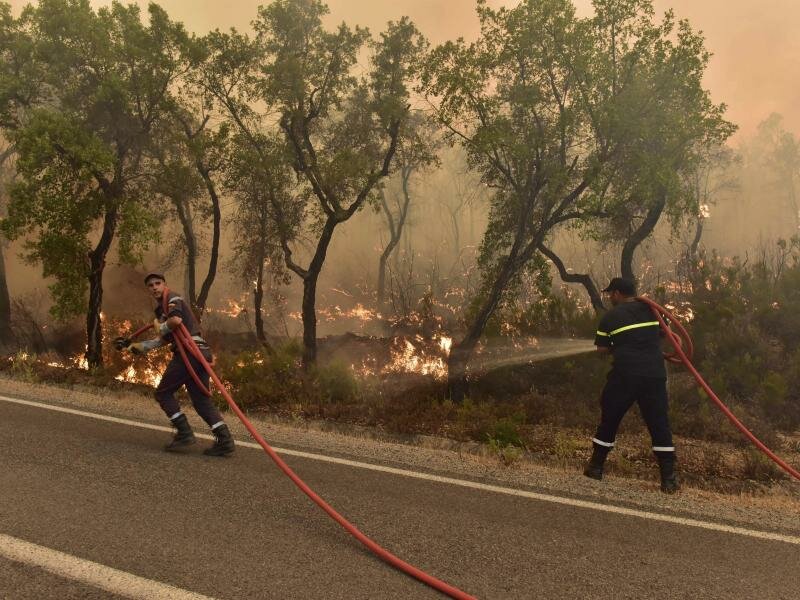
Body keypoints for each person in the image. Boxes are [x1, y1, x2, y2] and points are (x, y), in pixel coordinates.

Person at [114, 273, 235, 456]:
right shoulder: (161, 311)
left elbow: (175, 321)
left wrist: (161, 327)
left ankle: (185, 433)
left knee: (163, 393)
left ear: (164, 285)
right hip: (200, 353)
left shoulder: (172, 297)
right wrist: (137, 346)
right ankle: (225, 441)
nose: (154, 287)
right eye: (150, 285)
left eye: (158, 283)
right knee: (201, 400)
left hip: (190, 352)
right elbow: (164, 339)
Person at [584, 277, 678, 493]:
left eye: (610, 294)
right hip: (654, 375)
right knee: (659, 424)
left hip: (625, 376)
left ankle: (596, 467)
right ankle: (669, 479)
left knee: (610, 418)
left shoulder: (610, 317)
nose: (609, 297)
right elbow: (664, 334)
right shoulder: (654, 311)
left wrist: (620, 346)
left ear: (617, 293)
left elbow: (601, 349)